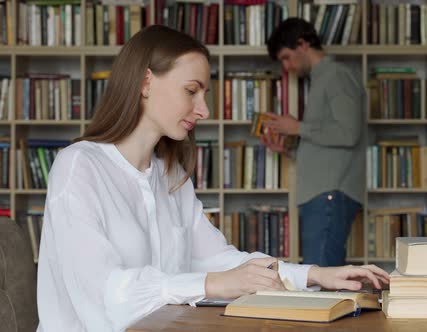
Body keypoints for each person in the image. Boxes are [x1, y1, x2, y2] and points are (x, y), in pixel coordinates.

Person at [36, 25, 388, 332]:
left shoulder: (171, 175)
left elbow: (220, 260)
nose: (204, 110)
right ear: (145, 82)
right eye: (191, 91)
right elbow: (104, 295)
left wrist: (315, 275)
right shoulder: (79, 167)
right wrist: (214, 284)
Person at [262, 18, 366, 267]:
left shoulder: (336, 76)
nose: (287, 67)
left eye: (287, 57)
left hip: (329, 195)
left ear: (303, 44)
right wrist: (287, 149)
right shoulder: (322, 79)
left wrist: (297, 127)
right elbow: (326, 147)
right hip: (323, 194)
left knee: (321, 280)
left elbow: (349, 133)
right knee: (321, 277)